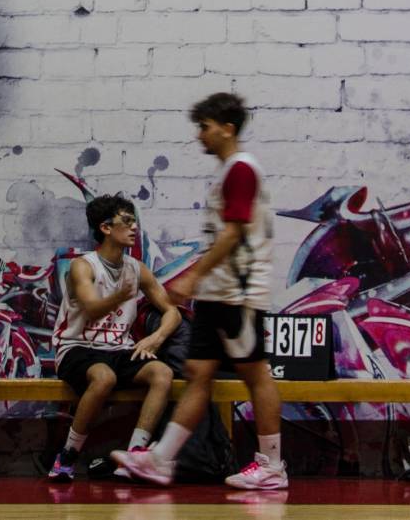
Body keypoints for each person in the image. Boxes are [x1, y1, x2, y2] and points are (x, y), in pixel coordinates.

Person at [112, 93, 287, 492]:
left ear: (227, 128)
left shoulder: (242, 170)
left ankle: (272, 466)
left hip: (237, 294)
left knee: (255, 373)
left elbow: (234, 231)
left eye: (205, 126)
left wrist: (192, 278)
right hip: (217, 293)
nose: (199, 135)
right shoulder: (228, 172)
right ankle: (161, 459)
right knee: (197, 374)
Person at [47, 194, 181, 481]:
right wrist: (120, 294)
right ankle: (67, 455)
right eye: (127, 221)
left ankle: (135, 457)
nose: (134, 227)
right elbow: (92, 308)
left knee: (162, 373)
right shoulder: (83, 266)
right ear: (106, 228)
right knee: (104, 377)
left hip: (118, 349)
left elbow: (172, 312)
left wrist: (155, 339)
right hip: (76, 348)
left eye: (135, 221)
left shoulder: (136, 268)